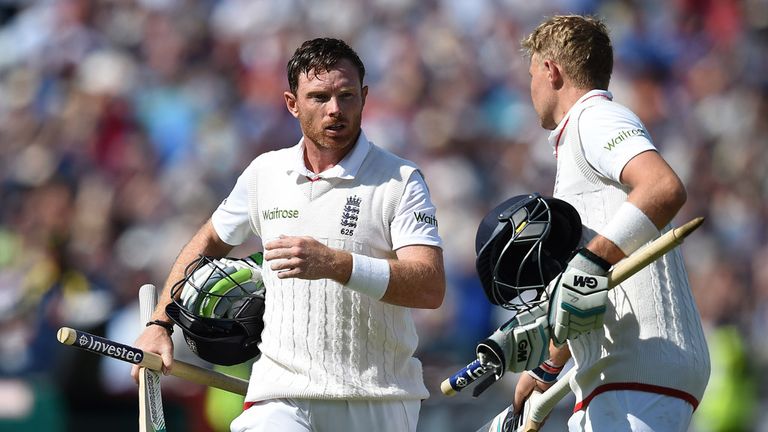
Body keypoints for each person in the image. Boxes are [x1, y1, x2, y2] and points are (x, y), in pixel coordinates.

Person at [131, 37, 445, 432]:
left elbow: (429, 286)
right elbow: (207, 242)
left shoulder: (400, 181)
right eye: (319, 97)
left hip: (379, 396)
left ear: (364, 97)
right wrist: (160, 325)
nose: (335, 110)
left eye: (347, 96)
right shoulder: (265, 173)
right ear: (292, 103)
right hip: (281, 392)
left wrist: (336, 264)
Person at [512, 15, 710, 432]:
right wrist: (546, 367)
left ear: (551, 71)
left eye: (531, 75)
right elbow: (584, 293)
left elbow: (662, 187)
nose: (530, 89)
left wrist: (591, 260)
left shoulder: (594, 118)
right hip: (622, 374)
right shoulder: (578, 137)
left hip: (634, 372)